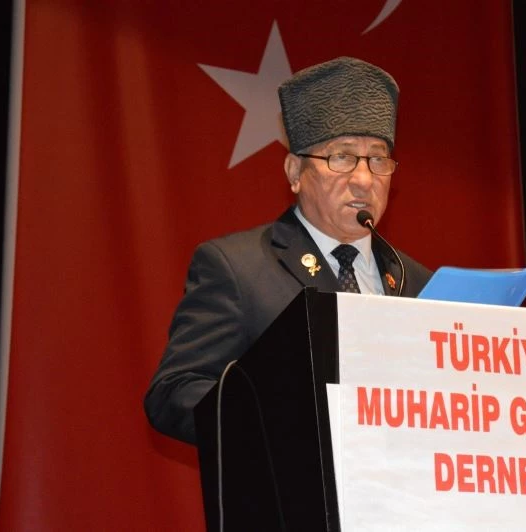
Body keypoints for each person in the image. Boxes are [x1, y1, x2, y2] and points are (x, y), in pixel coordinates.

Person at [144, 56, 433, 444]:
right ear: (295, 172)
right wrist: (283, 419)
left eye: (378, 159)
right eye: (342, 157)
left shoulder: (420, 283)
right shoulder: (239, 269)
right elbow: (174, 392)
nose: (364, 180)